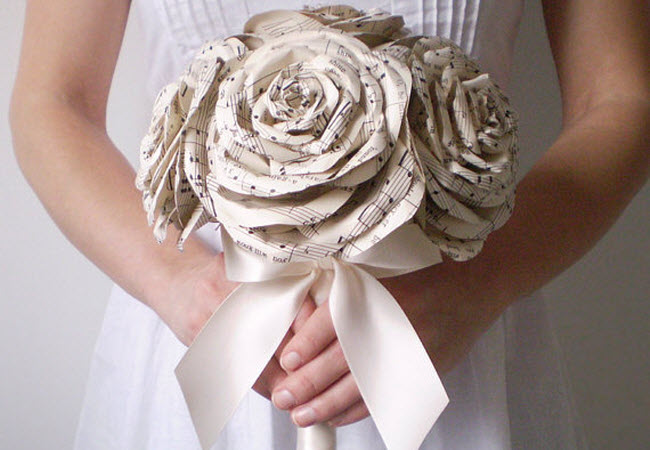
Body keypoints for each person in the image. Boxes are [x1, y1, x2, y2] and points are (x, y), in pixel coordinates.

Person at [9, 0, 648, 448]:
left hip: (451, 342)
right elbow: (52, 101)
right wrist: (178, 285)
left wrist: (480, 286)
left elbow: (620, 100)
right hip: (210, 335)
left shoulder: (467, 304)